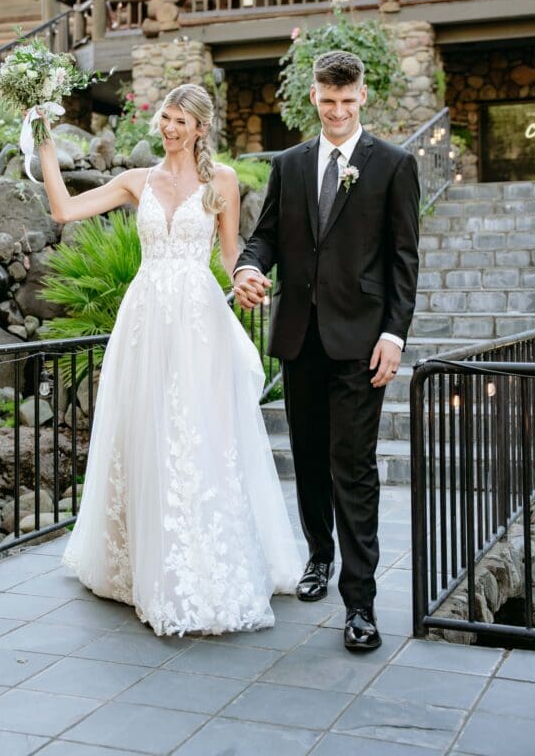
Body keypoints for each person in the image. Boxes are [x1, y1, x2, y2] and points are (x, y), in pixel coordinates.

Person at [37, 83, 300, 636]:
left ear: (201, 127)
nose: (170, 127)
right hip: (146, 321)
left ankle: (207, 553)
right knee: (147, 430)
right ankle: (141, 559)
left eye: (181, 120)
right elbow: (64, 209)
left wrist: (249, 279)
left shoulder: (221, 180)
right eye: (166, 117)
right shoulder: (138, 181)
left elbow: (232, 257)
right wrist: (41, 136)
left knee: (201, 431)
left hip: (200, 321)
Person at [234, 51, 420, 652]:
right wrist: (247, 268)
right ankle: (318, 556)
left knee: (355, 466)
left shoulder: (393, 165)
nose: (337, 112)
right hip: (298, 337)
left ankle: (360, 604)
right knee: (309, 457)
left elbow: (402, 260)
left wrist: (394, 335)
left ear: (362, 97)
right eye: (327, 100)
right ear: (312, 97)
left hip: (362, 342)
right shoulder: (287, 165)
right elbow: (264, 236)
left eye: (347, 101)